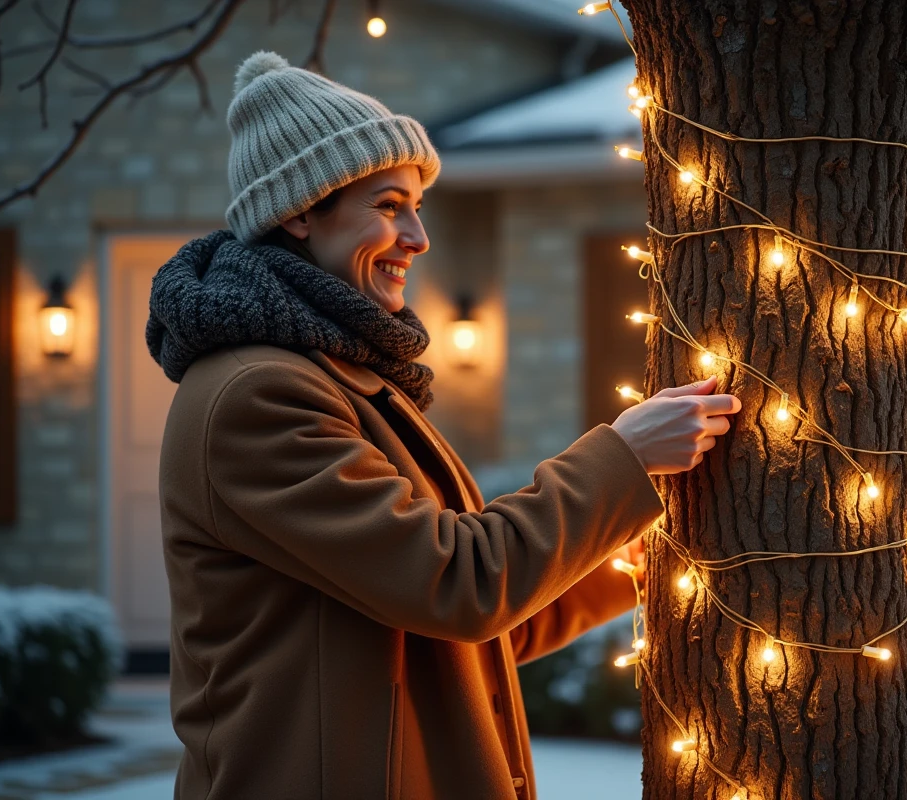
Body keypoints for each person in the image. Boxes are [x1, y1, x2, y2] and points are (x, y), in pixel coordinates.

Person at [146, 51, 741, 800]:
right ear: (300, 211)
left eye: (417, 206)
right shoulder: (259, 397)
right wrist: (622, 458)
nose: (418, 237)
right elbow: (458, 583)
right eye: (389, 205)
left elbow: (476, 629)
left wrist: (634, 568)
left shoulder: (343, 379)